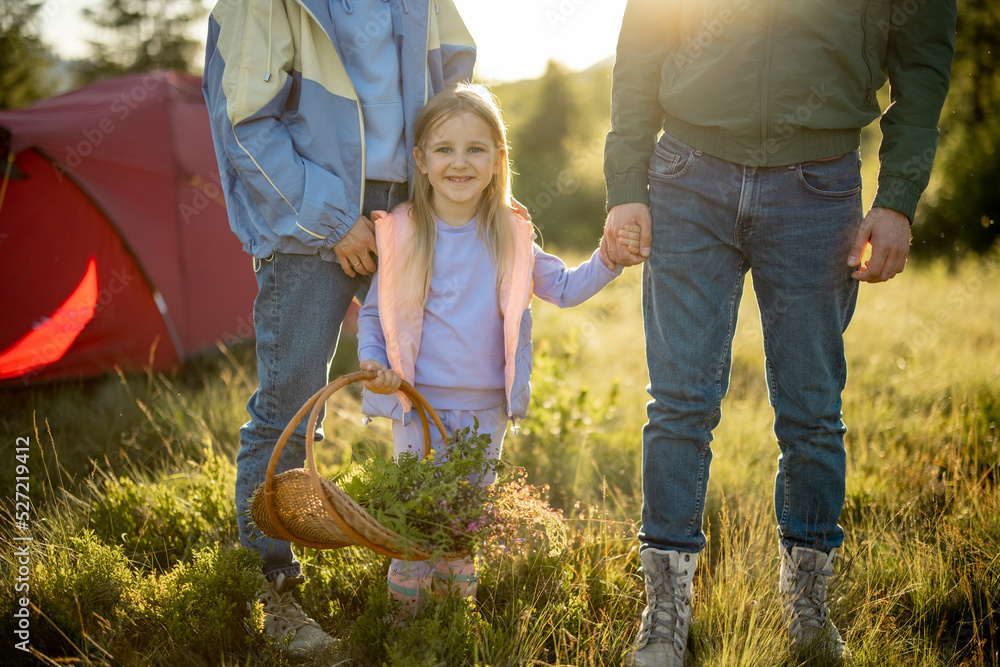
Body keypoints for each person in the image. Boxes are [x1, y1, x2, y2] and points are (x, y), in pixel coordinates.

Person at [601, 1, 957, 665]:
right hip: (686, 175)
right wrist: (626, 179)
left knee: (813, 411)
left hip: (817, 187)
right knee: (679, 402)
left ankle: (807, 606)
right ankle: (665, 610)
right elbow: (645, 32)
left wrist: (898, 196)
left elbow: (925, 66)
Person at [202, 0, 475, 655]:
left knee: (434, 393)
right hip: (308, 214)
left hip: (413, 209)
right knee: (288, 408)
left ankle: (425, 568)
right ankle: (273, 590)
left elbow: (455, 71)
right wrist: (331, 218)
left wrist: (441, 186)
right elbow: (244, 124)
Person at [357, 84, 624, 619]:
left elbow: (566, 288)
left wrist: (609, 259)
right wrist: (375, 365)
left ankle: (452, 623)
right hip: (416, 401)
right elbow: (373, 313)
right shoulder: (405, 231)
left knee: (462, 525)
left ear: (499, 158)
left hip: (486, 408)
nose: (460, 162)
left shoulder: (511, 232)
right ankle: (405, 625)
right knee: (418, 518)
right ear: (421, 161)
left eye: (476, 148)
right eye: (445, 149)